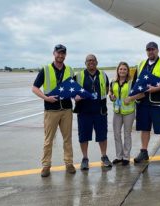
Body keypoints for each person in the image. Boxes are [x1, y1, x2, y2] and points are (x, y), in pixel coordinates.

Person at [32, 44, 76, 177]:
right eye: (58, 53)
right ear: (54, 53)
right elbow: (35, 88)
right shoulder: (45, 69)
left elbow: (72, 89)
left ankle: (69, 163)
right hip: (51, 110)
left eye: (63, 53)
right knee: (48, 140)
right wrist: (46, 98)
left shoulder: (70, 70)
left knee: (67, 138)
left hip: (67, 109)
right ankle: (46, 165)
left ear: (65, 55)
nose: (60, 55)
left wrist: (77, 96)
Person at [133, 42, 160, 168]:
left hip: (159, 103)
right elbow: (136, 84)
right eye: (148, 50)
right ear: (146, 51)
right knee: (144, 128)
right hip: (143, 103)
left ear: (157, 50)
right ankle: (144, 152)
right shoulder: (141, 65)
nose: (150, 52)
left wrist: (156, 89)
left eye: (153, 49)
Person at [74, 54, 112, 170]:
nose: (91, 62)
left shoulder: (103, 75)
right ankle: (85, 158)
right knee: (83, 136)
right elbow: (73, 92)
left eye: (93, 60)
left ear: (97, 62)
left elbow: (106, 89)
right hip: (84, 111)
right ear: (85, 63)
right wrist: (75, 97)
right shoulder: (78, 76)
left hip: (100, 111)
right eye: (88, 60)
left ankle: (104, 156)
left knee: (102, 135)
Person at [108, 62, 136, 166]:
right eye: (120, 69)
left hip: (129, 112)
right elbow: (110, 92)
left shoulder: (131, 82)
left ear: (127, 71)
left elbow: (140, 94)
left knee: (127, 134)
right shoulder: (113, 82)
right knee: (116, 134)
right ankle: (119, 156)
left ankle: (126, 157)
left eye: (124, 69)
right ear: (117, 70)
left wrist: (131, 98)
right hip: (117, 112)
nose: (122, 71)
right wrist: (111, 96)